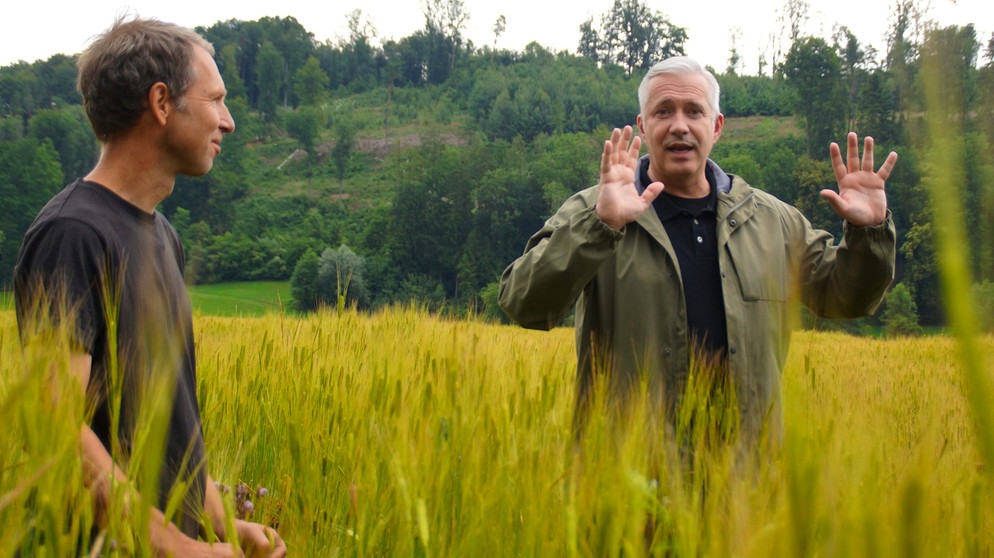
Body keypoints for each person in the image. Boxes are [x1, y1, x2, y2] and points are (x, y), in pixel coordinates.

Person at [498, 56, 897, 448]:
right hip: (633, 488)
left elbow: (848, 297)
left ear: (716, 126)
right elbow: (524, 303)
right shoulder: (597, 211)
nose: (679, 126)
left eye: (694, 111)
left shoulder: (773, 222)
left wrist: (867, 233)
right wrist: (600, 228)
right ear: (642, 125)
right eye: (663, 111)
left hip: (747, 488)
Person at [13, 17, 286, 557]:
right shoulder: (73, 234)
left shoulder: (162, 236)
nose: (228, 122)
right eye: (215, 99)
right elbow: (53, 429)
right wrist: (174, 548)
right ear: (162, 103)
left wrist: (220, 522)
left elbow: (169, 430)